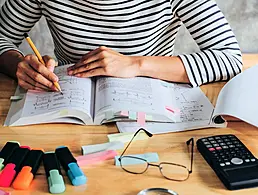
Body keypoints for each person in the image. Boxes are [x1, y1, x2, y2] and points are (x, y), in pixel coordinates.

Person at [0, 0, 242, 91]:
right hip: (66, 102)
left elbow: (229, 59)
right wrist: (19, 65)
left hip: (152, 111)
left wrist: (136, 64)